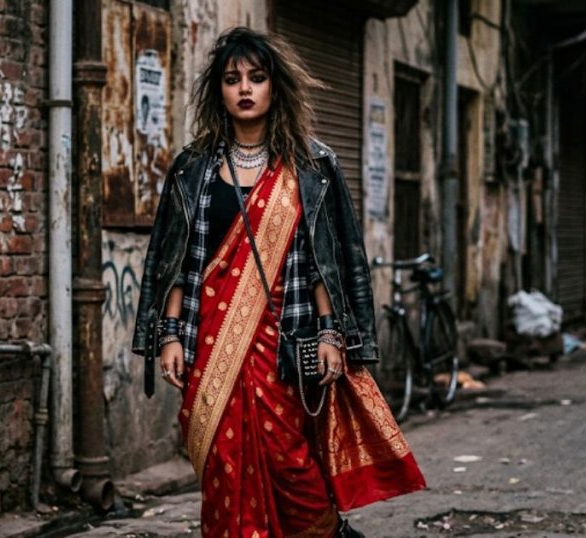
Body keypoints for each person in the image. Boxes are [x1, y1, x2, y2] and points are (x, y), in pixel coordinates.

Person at [132, 27, 425, 537]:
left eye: (256, 77)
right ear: (218, 91)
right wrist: (170, 334)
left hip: (283, 342)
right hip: (210, 345)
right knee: (223, 462)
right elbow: (179, 261)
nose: (245, 88)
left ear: (275, 86)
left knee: (291, 461)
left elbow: (322, 260)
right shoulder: (193, 168)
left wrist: (332, 334)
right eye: (232, 79)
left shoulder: (311, 166)